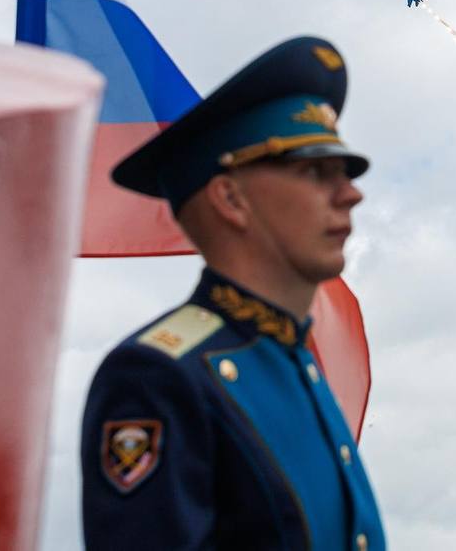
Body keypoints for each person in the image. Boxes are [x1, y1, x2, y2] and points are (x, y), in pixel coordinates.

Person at [81, 36, 385, 550]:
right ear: (229, 197)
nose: (351, 193)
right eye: (316, 170)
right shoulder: (160, 379)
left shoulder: (296, 367)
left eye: (346, 173)